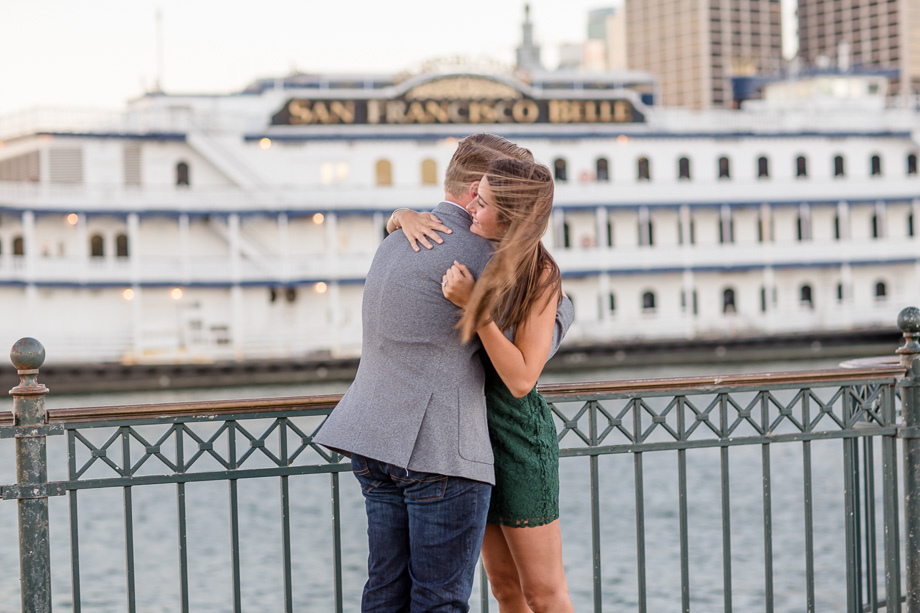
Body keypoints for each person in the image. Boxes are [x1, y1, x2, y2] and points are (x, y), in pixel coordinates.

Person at [313, 133, 538, 613]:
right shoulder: (485, 259)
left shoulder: (395, 241)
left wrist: (399, 214)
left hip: (371, 440)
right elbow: (531, 350)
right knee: (439, 601)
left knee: (385, 591)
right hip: (439, 449)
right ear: (480, 189)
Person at [396, 158, 575, 612]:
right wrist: (403, 215)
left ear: (511, 218)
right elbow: (406, 230)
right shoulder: (476, 247)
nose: (471, 205)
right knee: (504, 588)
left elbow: (521, 379)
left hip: (516, 439)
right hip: (470, 439)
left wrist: (474, 307)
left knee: (544, 594)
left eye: (484, 202)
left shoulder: (540, 274)